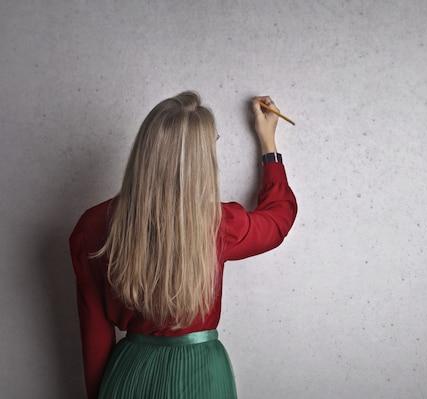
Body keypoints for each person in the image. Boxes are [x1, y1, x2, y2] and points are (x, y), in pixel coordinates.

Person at [69, 92, 297, 399]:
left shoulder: (92, 226)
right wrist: (268, 144)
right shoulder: (219, 223)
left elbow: (94, 334)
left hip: (129, 374)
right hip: (200, 373)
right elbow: (278, 219)